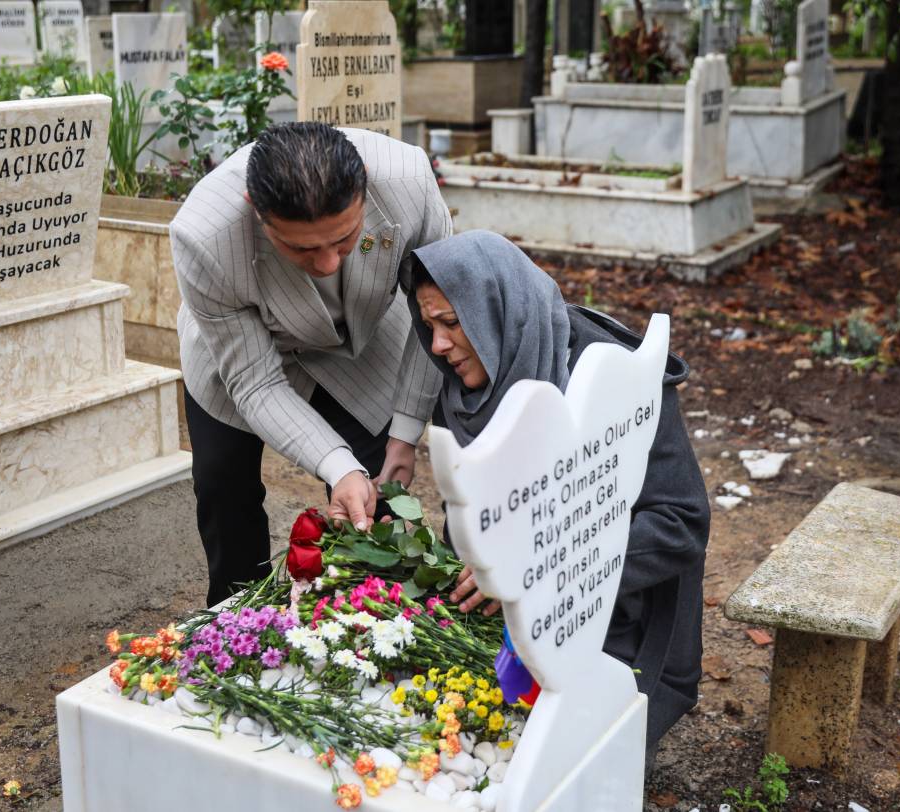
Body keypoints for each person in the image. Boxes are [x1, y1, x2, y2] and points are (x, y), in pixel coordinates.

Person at [408, 229, 710, 765]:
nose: (437, 346)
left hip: (625, 615)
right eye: (428, 325)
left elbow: (681, 523)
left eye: (452, 324)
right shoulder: (466, 387)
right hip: (525, 608)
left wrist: (535, 568)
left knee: (559, 758)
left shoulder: (610, 374)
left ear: (496, 310)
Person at [170, 122, 451, 607]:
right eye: (301, 248)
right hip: (241, 359)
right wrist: (336, 465)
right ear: (256, 211)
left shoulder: (409, 181)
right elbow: (254, 383)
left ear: (363, 182)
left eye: (344, 240)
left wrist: (405, 433)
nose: (327, 265)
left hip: (361, 344)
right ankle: (237, 620)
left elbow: (434, 317)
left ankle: (363, 622)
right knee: (223, 489)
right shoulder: (203, 237)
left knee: (373, 500)